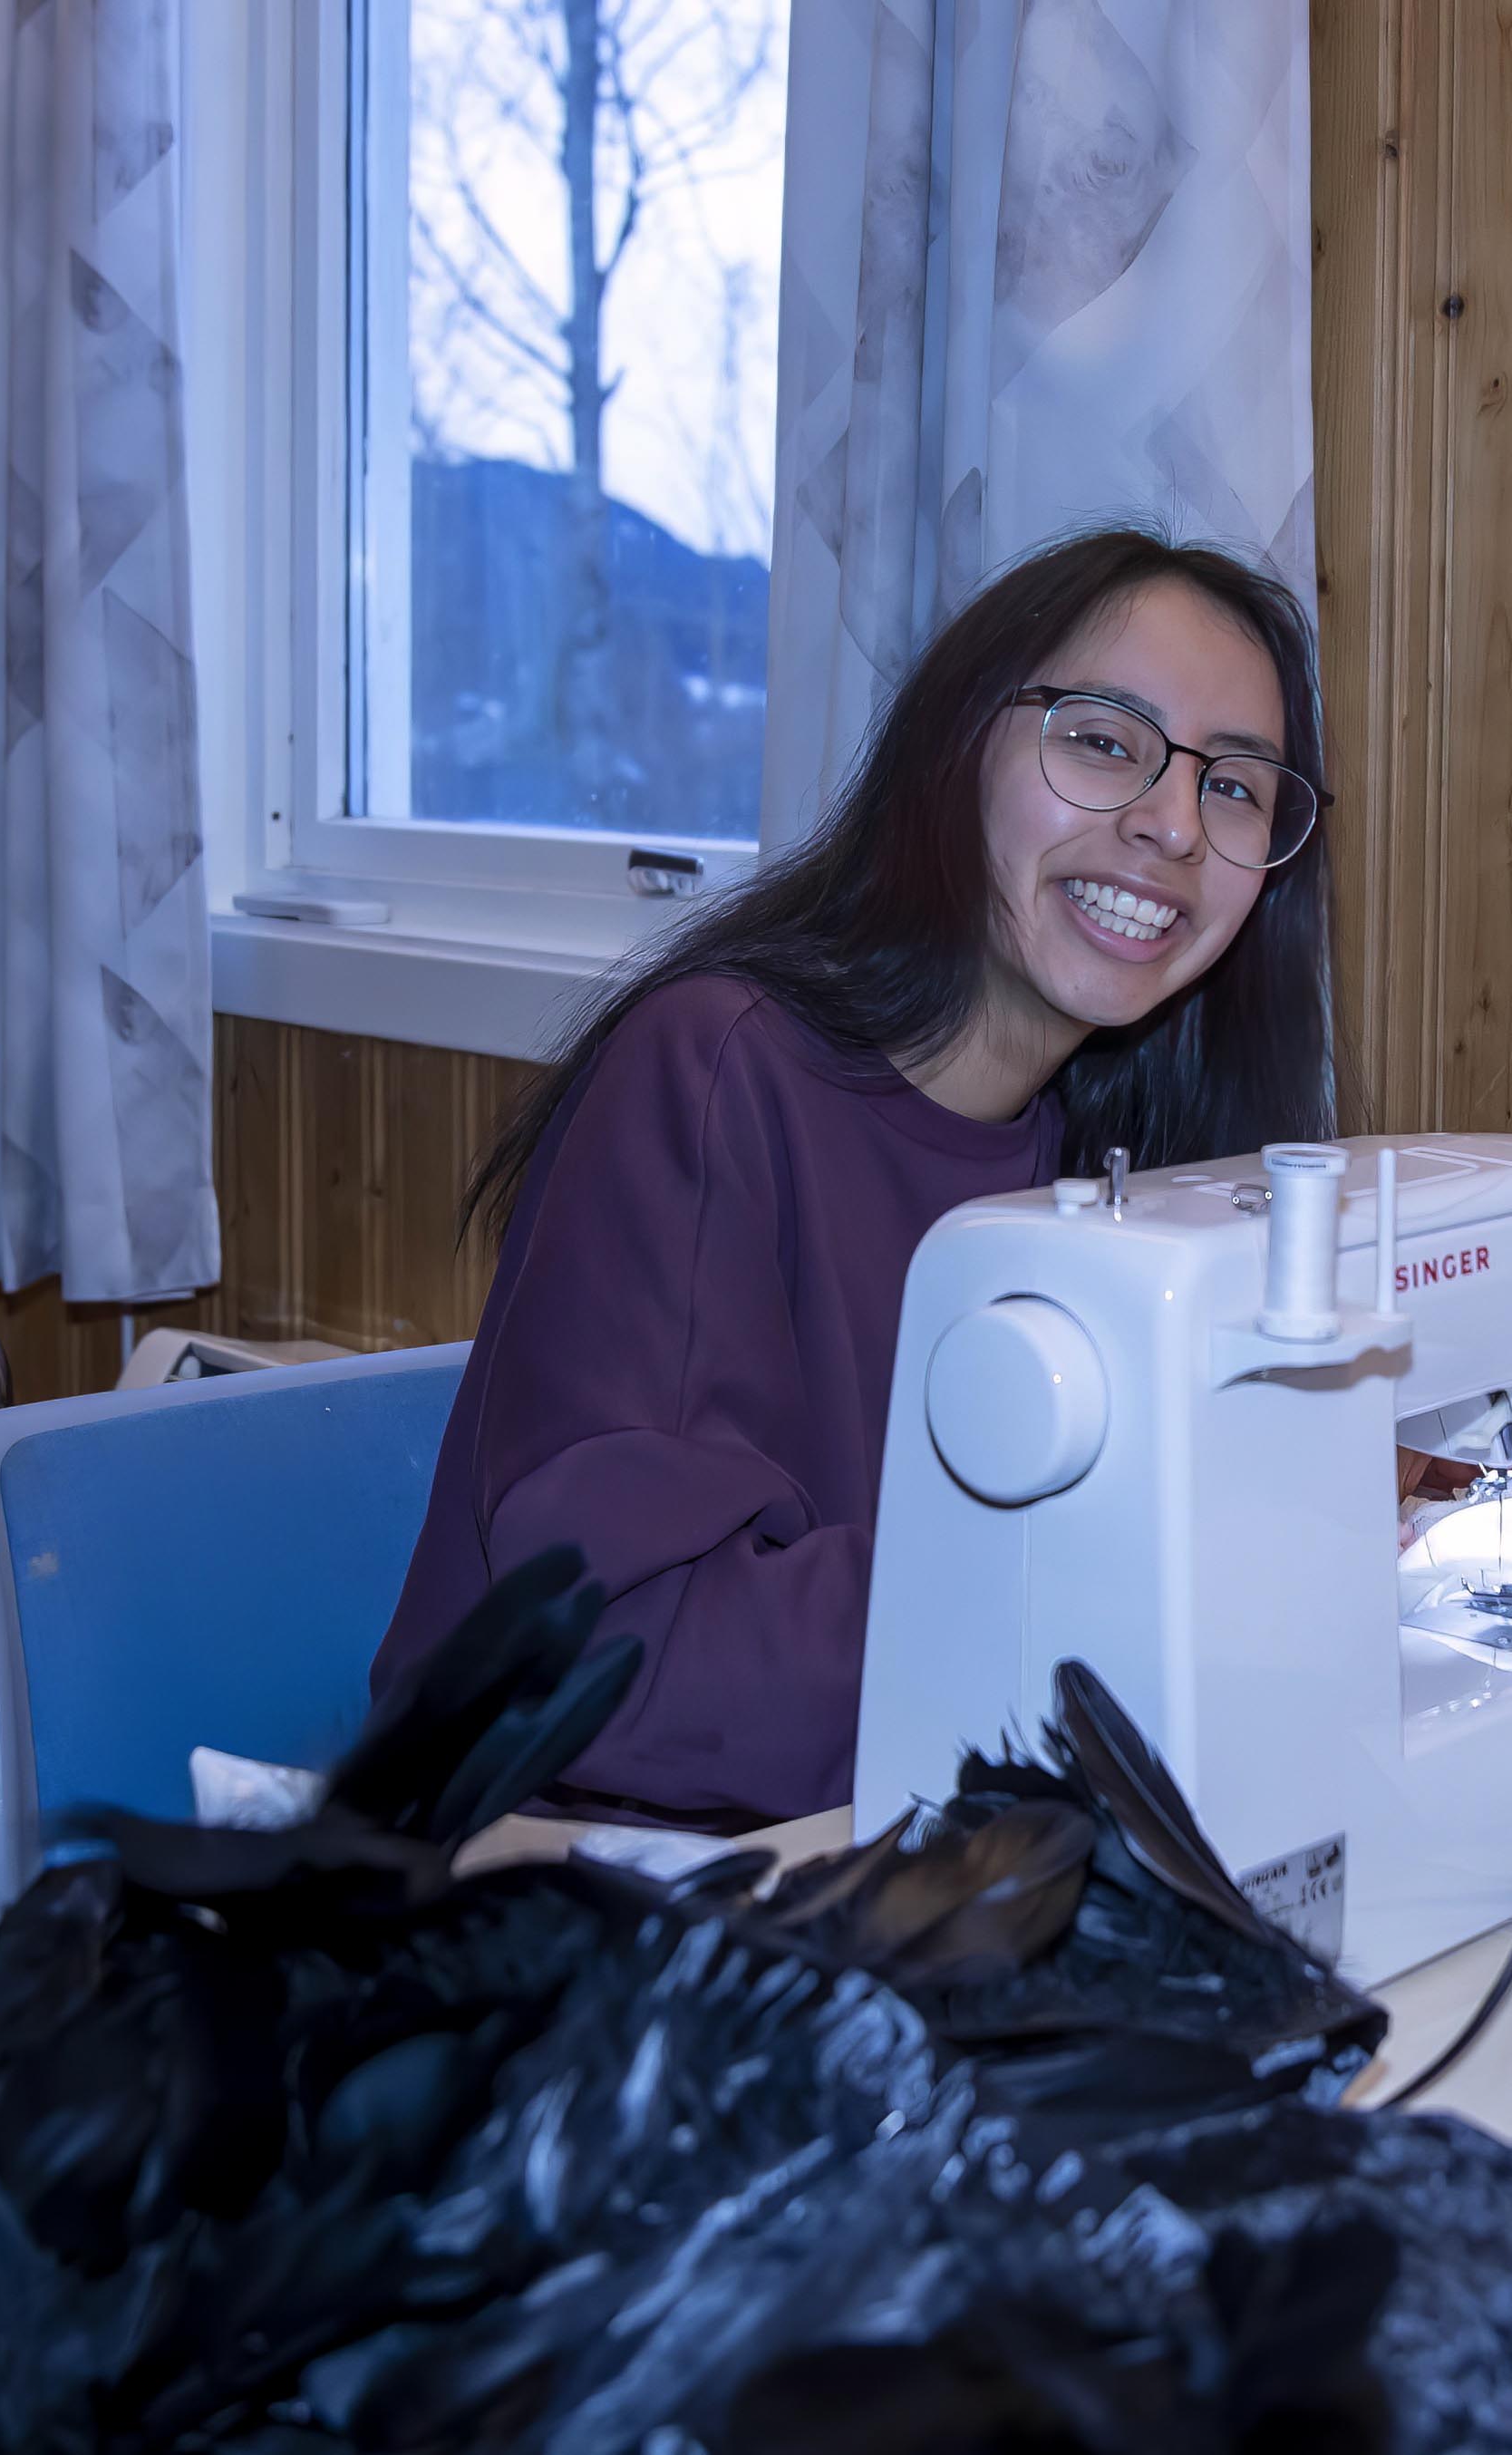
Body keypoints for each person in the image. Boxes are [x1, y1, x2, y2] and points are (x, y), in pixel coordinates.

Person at [371, 529, 1336, 1829]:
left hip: (892, 1854)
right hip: (562, 1877)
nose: (1171, 824)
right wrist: (1149, 1569)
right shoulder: (713, 1076)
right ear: (957, 748)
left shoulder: (1137, 1165)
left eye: (1236, 787)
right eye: (1105, 741)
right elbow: (632, 1665)